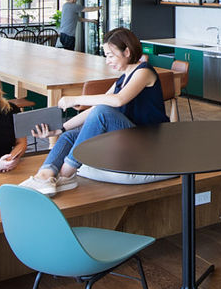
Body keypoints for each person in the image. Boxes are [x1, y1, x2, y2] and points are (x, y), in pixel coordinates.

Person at [20, 27, 167, 195]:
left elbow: (118, 100)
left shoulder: (144, 72)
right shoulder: (123, 78)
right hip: (130, 138)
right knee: (69, 136)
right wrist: (60, 129)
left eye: (110, 56)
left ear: (127, 51)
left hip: (148, 143)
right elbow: (96, 109)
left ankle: (66, 174)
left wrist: (76, 99)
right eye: (106, 56)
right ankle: (44, 176)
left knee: (103, 112)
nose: (107, 61)